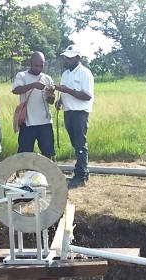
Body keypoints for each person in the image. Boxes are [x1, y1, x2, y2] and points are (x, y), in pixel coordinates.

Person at [55, 44, 94, 189]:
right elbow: (65, 92)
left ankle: (80, 177)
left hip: (80, 113)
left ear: (78, 58)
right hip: (68, 112)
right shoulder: (66, 74)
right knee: (76, 144)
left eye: (70, 58)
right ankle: (83, 172)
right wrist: (60, 100)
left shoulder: (85, 73)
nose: (67, 60)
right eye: (66, 58)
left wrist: (68, 91)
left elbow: (87, 96)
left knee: (80, 145)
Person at [11, 52, 56, 158]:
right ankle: (23, 174)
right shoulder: (22, 75)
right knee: (24, 155)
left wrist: (50, 96)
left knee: (48, 154)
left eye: (41, 65)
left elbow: (51, 101)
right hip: (28, 123)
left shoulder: (47, 78)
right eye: (36, 65)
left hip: (45, 123)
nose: (39, 68)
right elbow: (16, 90)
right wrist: (34, 85)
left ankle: (46, 174)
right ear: (30, 63)